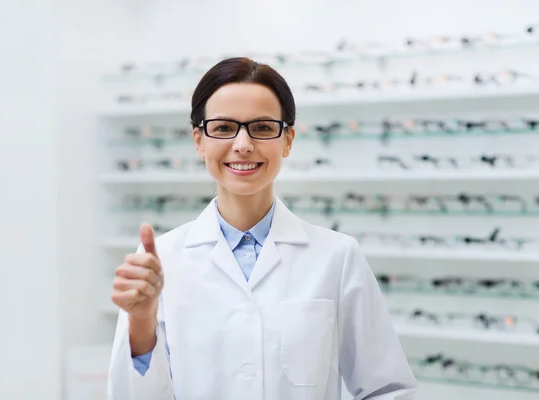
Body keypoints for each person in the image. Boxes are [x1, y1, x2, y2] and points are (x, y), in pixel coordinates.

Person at [107, 57, 418, 400]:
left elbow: (387, 389)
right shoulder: (159, 260)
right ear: (199, 140)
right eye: (224, 128)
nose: (242, 144)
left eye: (263, 127)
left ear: (287, 140)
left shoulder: (337, 257)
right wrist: (141, 323)